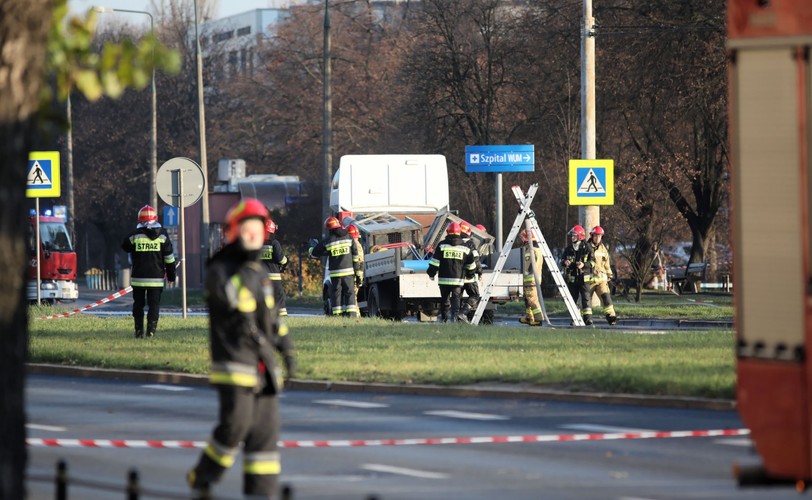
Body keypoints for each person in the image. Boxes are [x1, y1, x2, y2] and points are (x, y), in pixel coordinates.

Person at [187, 198, 296, 499]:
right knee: (235, 427)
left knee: (264, 436)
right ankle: (203, 476)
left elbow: (272, 319)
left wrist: (287, 350)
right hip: (234, 364)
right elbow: (233, 302)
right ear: (235, 232)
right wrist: (248, 268)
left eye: (257, 229)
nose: (253, 235)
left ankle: (263, 493)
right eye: (247, 229)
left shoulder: (259, 272)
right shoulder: (220, 269)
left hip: (263, 367)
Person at [121, 205, 175, 338]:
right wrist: (171, 276)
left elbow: (124, 246)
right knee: (154, 306)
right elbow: (169, 258)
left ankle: (138, 332)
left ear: (139, 220)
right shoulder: (162, 236)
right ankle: (151, 332)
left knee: (138, 305)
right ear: (155, 219)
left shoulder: (134, 236)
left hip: (138, 279)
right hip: (156, 280)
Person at [309, 217, 361, 317]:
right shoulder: (349, 238)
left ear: (329, 229)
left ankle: (337, 316)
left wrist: (310, 248)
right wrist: (357, 271)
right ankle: (352, 315)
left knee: (336, 294)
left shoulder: (328, 241)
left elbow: (314, 254)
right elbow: (355, 256)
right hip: (349, 272)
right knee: (350, 293)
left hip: (335, 274)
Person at [427, 221, 476, 323]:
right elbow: (471, 265)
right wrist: (470, 275)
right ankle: (454, 319)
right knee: (456, 301)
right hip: (458, 281)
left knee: (445, 300)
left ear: (447, 232)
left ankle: (444, 319)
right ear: (459, 233)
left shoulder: (441, 246)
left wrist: (431, 274)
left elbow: (435, 263)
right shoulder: (465, 248)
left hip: (443, 280)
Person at [561, 225, 594, 325]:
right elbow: (562, 260)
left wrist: (584, 264)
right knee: (572, 299)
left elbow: (593, 262)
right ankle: (575, 318)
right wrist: (564, 263)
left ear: (580, 236)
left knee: (586, 298)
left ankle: (587, 319)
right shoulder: (569, 249)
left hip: (584, 278)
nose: (572, 237)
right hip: (573, 278)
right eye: (572, 235)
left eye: (574, 235)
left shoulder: (587, 248)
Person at [585, 226, 618, 325]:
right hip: (589, 280)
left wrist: (609, 274)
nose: (597, 238)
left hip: (601, 280)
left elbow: (606, 263)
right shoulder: (586, 247)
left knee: (606, 297)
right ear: (592, 236)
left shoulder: (603, 249)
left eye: (599, 236)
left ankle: (611, 316)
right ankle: (584, 318)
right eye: (595, 236)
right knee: (585, 301)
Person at [261, 218, 289, 317]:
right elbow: (281, 259)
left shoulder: (257, 243)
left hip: (261, 276)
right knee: (279, 296)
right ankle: (282, 315)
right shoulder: (274, 243)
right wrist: (286, 261)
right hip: (274, 276)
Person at [519, 228, 545, 326]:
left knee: (532, 300)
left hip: (531, 280)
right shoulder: (536, 250)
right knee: (527, 299)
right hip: (531, 280)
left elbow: (527, 266)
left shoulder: (531, 251)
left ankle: (538, 319)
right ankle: (529, 317)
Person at [458, 221, 482, 320]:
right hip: (469, 277)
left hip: (457, 276)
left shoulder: (454, 243)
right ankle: (463, 313)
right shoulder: (470, 243)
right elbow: (476, 259)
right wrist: (479, 272)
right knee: (475, 295)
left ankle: (455, 317)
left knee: (457, 298)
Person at [346, 224, 365, 304]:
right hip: (354, 275)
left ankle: (355, 316)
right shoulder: (356, 244)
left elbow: (359, 262)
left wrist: (358, 278)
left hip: (354, 276)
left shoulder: (355, 245)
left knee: (353, 300)